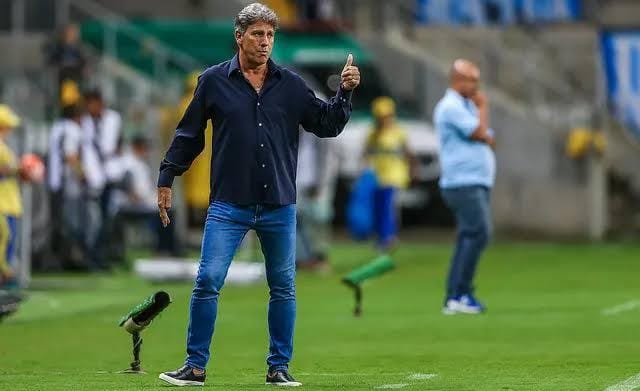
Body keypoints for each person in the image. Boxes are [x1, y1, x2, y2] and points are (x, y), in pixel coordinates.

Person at [157, 3, 359, 387]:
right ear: (239, 36)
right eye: (257, 34)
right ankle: (194, 367)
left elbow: (327, 124)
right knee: (208, 280)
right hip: (228, 204)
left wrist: (345, 94)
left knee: (283, 287)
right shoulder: (213, 81)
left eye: (270, 35)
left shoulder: (291, 85)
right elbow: (189, 134)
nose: (265, 42)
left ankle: (278, 368)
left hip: (278, 204)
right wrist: (167, 176)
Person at [433, 59, 495, 315]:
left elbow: (489, 137)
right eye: (472, 80)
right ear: (457, 80)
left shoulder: (464, 105)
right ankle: (459, 293)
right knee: (479, 232)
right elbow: (480, 134)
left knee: (468, 236)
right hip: (462, 181)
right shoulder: (451, 106)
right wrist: (483, 107)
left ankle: (457, 294)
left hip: (473, 180)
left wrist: (481, 123)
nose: (476, 86)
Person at [363, 96, 414, 252]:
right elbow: (366, 153)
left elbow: (408, 153)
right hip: (378, 176)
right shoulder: (373, 133)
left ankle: (389, 238)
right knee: (378, 208)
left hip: (395, 176)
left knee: (387, 207)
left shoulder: (398, 132)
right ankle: (381, 238)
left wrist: (411, 172)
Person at [0, 105, 23, 289]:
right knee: (4, 243)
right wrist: (19, 169)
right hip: (3, 204)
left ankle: (4, 282)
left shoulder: (4, 147)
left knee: (9, 244)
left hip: (10, 203)